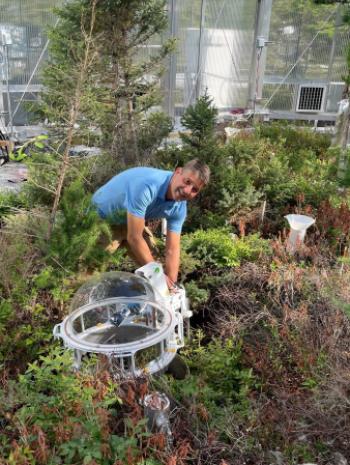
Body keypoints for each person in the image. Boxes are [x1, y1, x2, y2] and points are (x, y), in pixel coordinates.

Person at [92, 159, 210, 290]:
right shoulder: (148, 185)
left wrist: (171, 286)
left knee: (156, 267)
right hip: (102, 218)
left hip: (131, 220)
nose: (188, 191)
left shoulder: (179, 208)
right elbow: (134, 237)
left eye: (194, 189)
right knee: (88, 271)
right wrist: (157, 276)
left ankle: (152, 304)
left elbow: (172, 249)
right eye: (187, 181)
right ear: (178, 172)